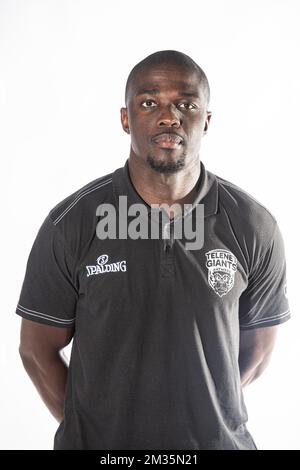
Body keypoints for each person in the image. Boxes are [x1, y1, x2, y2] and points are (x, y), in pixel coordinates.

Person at [16, 50, 291, 450]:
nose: (169, 116)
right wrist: (96, 433)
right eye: (149, 103)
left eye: (186, 104)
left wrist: (204, 408)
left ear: (206, 121)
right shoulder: (72, 223)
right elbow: (36, 348)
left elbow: (260, 350)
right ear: (126, 118)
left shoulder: (252, 225)